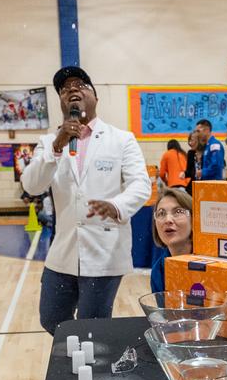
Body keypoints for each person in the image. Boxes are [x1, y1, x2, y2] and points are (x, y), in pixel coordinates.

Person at [21, 65, 151, 334]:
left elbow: (140, 185)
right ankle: (75, 362)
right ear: (60, 102)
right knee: (51, 318)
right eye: (65, 89)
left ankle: (85, 371)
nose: (72, 90)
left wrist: (115, 205)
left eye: (80, 85)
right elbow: (32, 185)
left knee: (92, 327)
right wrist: (57, 146)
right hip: (63, 251)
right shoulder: (49, 143)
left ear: (95, 97)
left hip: (104, 250)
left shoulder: (121, 140)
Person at [149, 187, 194, 293]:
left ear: (194, 219)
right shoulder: (158, 271)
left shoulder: (213, 265)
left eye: (178, 211)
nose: (168, 220)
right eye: (161, 213)